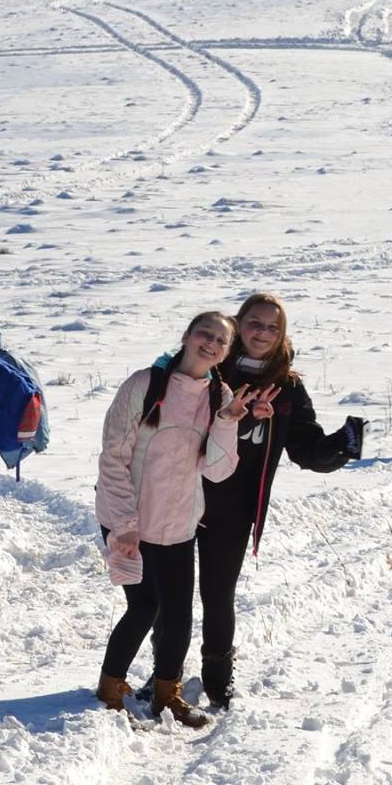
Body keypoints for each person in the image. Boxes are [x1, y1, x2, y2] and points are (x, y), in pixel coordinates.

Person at [96, 312, 264, 729]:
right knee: (144, 607)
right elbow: (113, 458)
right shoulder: (144, 384)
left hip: (178, 521)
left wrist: (227, 421)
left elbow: (218, 470)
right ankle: (110, 689)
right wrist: (124, 523)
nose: (211, 343)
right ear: (187, 336)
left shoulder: (220, 395)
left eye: (221, 341)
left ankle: (166, 694)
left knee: (177, 614)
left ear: (226, 352)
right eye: (205, 333)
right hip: (131, 518)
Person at [195, 294, 362, 708]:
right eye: (255, 323)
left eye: (273, 327)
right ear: (239, 323)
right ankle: (164, 677)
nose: (263, 333)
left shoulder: (287, 386)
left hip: (235, 507)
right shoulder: (211, 367)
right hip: (183, 495)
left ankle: (217, 681)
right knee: (172, 595)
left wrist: (340, 446)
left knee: (218, 594)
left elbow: (305, 448)